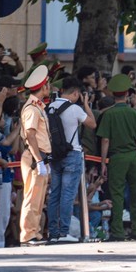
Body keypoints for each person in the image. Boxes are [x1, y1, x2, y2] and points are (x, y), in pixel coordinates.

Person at [46, 77, 96, 243]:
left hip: (55, 155)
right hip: (72, 154)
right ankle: (64, 232)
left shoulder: (49, 107)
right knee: (67, 194)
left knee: (54, 194)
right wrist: (86, 104)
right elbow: (92, 124)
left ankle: (53, 233)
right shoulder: (75, 109)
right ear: (76, 93)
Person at [97, 74, 136, 241]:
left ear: (112, 94)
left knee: (117, 195)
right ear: (127, 94)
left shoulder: (108, 115)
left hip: (116, 158)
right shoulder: (134, 114)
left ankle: (117, 231)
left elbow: (105, 140)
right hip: (133, 156)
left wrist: (103, 163)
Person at [19, 65, 52, 245]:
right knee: (32, 197)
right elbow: (30, 135)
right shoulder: (32, 108)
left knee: (38, 198)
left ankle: (34, 232)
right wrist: (39, 160)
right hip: (34, 156)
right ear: (43, 86)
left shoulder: (37, 107)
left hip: (39, 156)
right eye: (48, 84)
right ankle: (28, 234)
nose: (50, 87)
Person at [0, 86, 19, 248]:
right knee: (1, 214)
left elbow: (9, 145)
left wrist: (18, 128)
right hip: (1, 178)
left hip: (1, 179)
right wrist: (0, 102)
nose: (3, 120)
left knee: (2, 213)